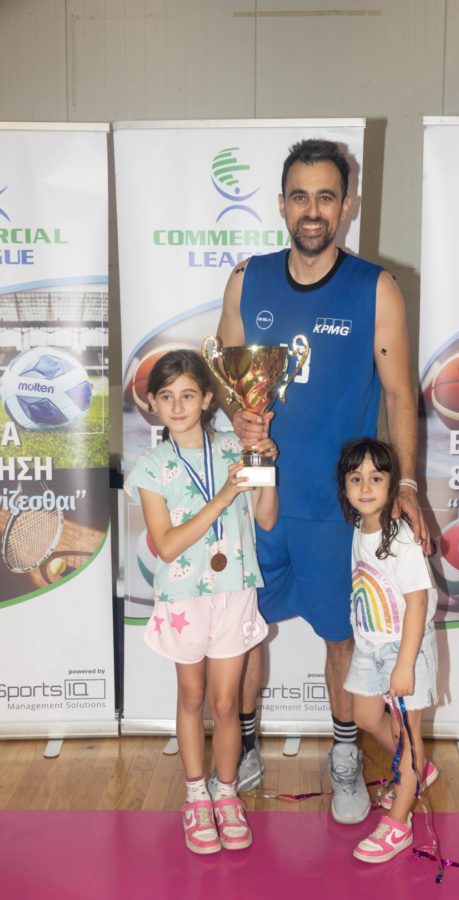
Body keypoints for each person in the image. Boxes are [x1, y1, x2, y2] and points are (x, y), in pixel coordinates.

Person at [216, 138, 431, 823]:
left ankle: (343, 754)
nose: (313, 211)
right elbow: (227, 380)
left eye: (327, 197)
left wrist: (406, 485)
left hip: (339, 507)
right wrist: (236, 413)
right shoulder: (247, 280)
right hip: (258, 493)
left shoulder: (375, 287)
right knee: (246, 630)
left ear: (347, 205)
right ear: (282, 205)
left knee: (343, 637)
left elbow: (398, 393)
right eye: (301, 197)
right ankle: (245, 742)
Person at [125, 350, 277, 855]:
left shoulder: (236, 447)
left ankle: (226, 794)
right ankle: (196, 797)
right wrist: (222, 496)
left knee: (226, 703)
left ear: (208, 399)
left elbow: (266, 518)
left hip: (235, 589)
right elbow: (167, 545)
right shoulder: (150, 468)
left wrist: (266, 466)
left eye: (188, 395)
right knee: (191, 697)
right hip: (184, 597)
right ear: (152, 403)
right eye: (166, 396)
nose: (177, 405)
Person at [337, 437, 438, 863]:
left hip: (404, 648)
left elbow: (417, 602)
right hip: (370, 645)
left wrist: (404, 665)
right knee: (364, 716)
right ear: (344, 485)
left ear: (393, 483)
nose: (365, 487)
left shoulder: (401, 537)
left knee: (408, 736)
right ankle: (418, 768)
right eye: (355, 478)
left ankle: (399, 822)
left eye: (376, 478)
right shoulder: (360, 529)